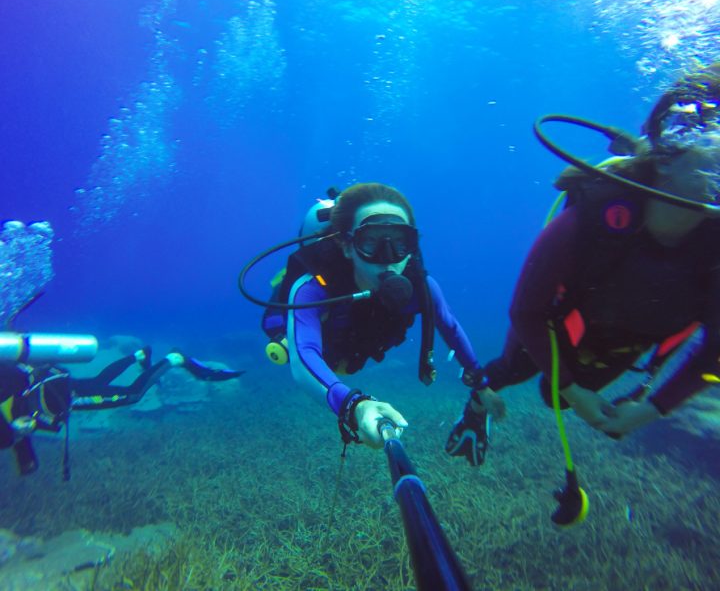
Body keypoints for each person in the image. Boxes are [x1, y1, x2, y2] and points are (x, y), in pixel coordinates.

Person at [447, 62, 720, 465]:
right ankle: (475, 409)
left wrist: (650, 409)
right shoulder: (596, 217)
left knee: (554, 399)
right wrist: (575, 391)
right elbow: (527, 311)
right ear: (667, 154)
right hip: (558, 324)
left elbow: (714, 351)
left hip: (626, 340)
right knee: (513, 368)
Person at [260, 182, 505, 453]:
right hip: (331, 348)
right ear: (346, 245)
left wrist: (482, 385)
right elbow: (303, 354)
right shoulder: (312, 288)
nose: (388, 259)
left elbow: (450, 327)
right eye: (370, 241)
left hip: (355, 350)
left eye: (400, 242)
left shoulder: (423, 288)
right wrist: (354, 406)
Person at [1, 346, 244, 476]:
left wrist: (21, 438)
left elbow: (11, 437)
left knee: (132, 395)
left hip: (58, 397)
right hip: (53, 383)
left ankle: (173, 358)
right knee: (97, 382)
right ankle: (138, 355)